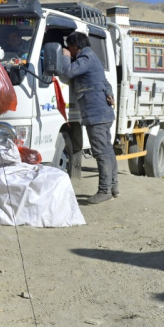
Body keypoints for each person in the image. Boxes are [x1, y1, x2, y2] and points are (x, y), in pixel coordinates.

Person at [59, 31, 119, 204]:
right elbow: (104, 81)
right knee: (107, 151)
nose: (68, 49)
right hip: (102, 112)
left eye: (69, 46)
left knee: (101, 152)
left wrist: (64, 56)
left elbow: (68, 72)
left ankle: (104, 190)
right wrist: (109, 93)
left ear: (76, 46)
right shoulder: (92, 57)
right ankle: (113, 186)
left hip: (96, 114)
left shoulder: (85, 58)